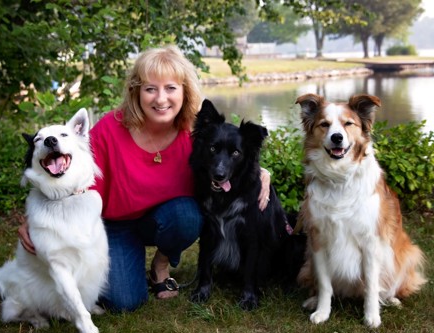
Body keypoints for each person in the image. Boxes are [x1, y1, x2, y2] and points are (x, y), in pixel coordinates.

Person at [18, 45, 271, 312]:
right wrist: (36, 217)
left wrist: (262, 173)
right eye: (151, 88)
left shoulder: (196, 136)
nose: (161, 99)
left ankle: (160, 265)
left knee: (187, 216)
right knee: (123, 302)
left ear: (184, 91)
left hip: (164, 220)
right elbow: (72, 178)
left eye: (171, 88)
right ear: (136, 92)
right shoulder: (109, 130)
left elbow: (233, 155)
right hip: (112, 225)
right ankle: (122, 259)